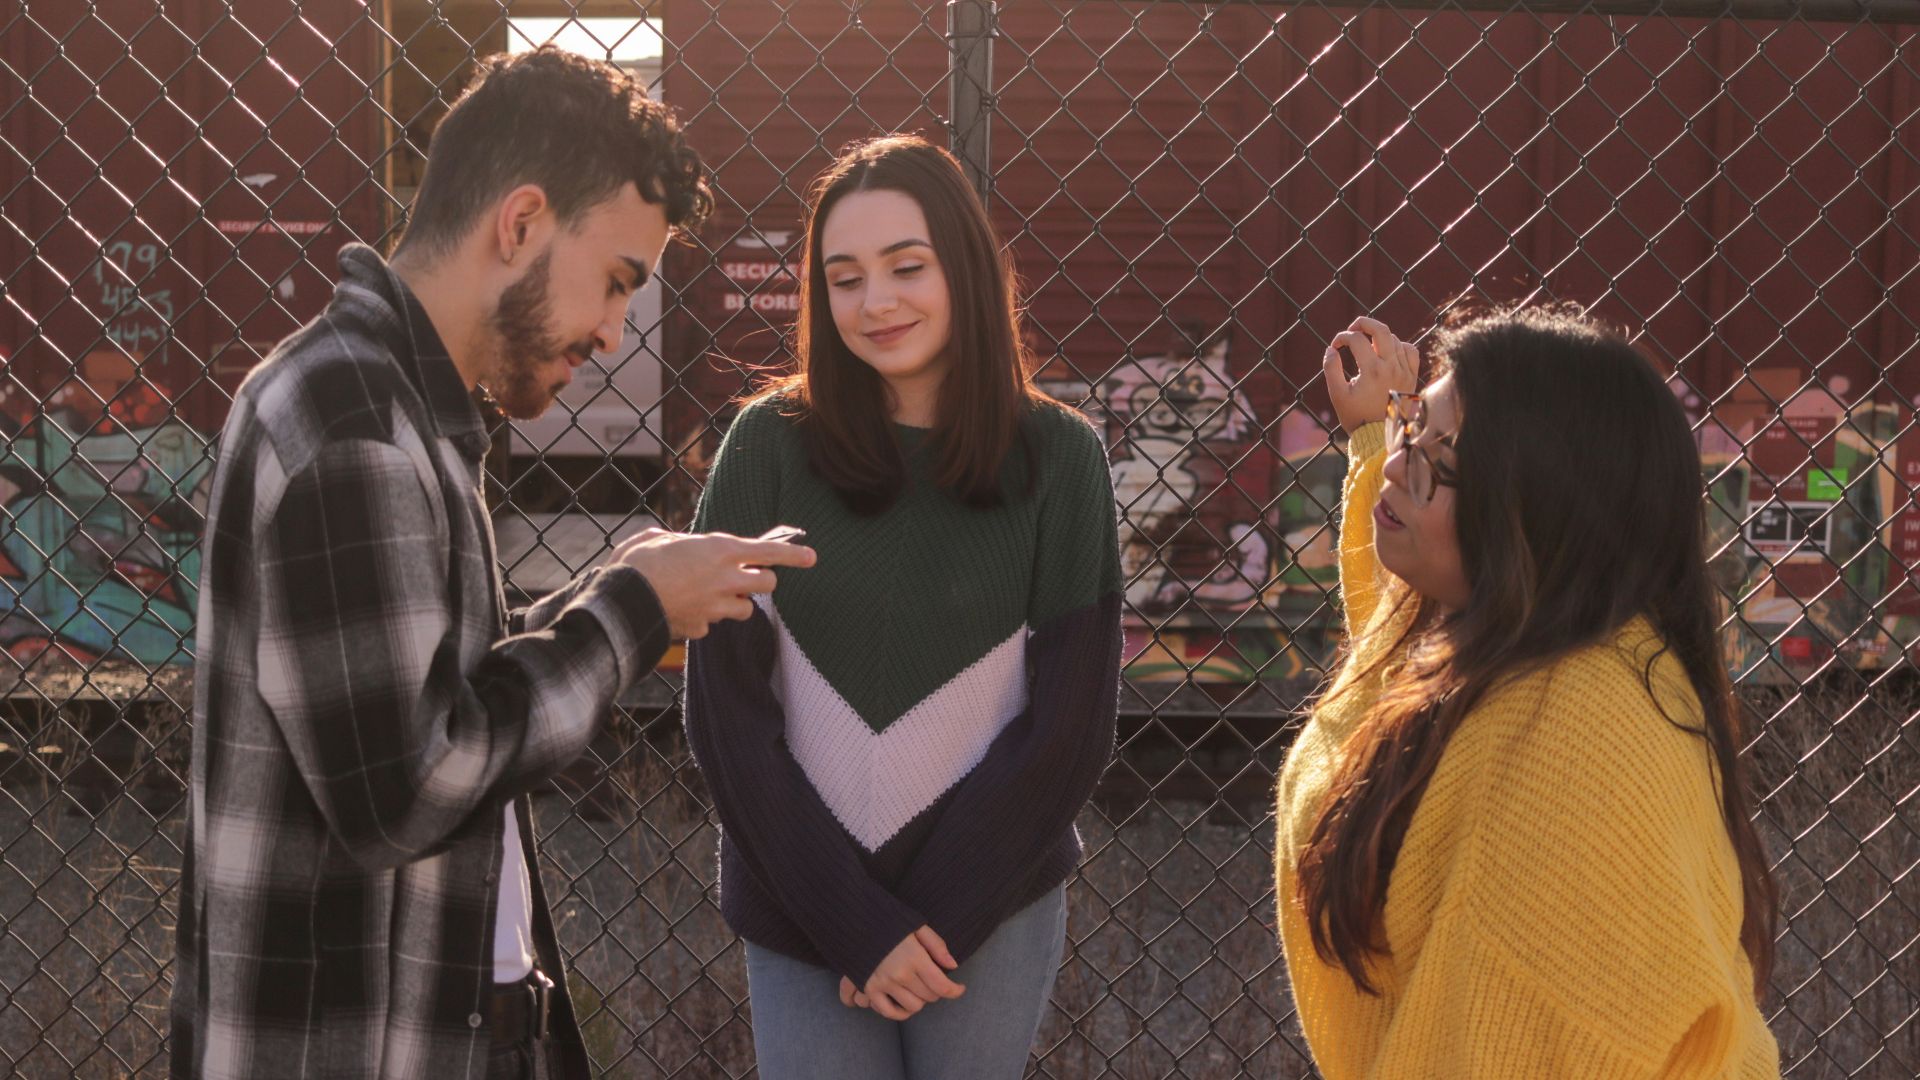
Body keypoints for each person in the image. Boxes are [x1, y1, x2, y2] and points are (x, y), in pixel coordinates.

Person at [168, 47, 815, 1080]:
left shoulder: (403, 411)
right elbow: (414, 783)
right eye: (614, 282)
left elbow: (431, 683)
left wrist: (616, 588)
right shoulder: (353, 422)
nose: (613, 329)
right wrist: (634, 614)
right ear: (518, 223)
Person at [682, 134, 1122, 1079]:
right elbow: (725, 718)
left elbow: (1072, 727)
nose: (875, 302)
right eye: (844, 278)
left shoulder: (1061, 460)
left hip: (989, 912)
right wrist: (854, 923)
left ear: (963, 266)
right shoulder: (765, 447)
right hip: (802, 910)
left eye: (905, 267)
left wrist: (926, 925)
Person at [1274, 309, 1782, 1077]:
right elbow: (1393, 656)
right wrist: (1377, 434)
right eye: (1414, 428)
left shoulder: (1566, 749)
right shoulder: (1522, 636)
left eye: (1443, 458)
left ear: (1542, 511)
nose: (1399, 468)